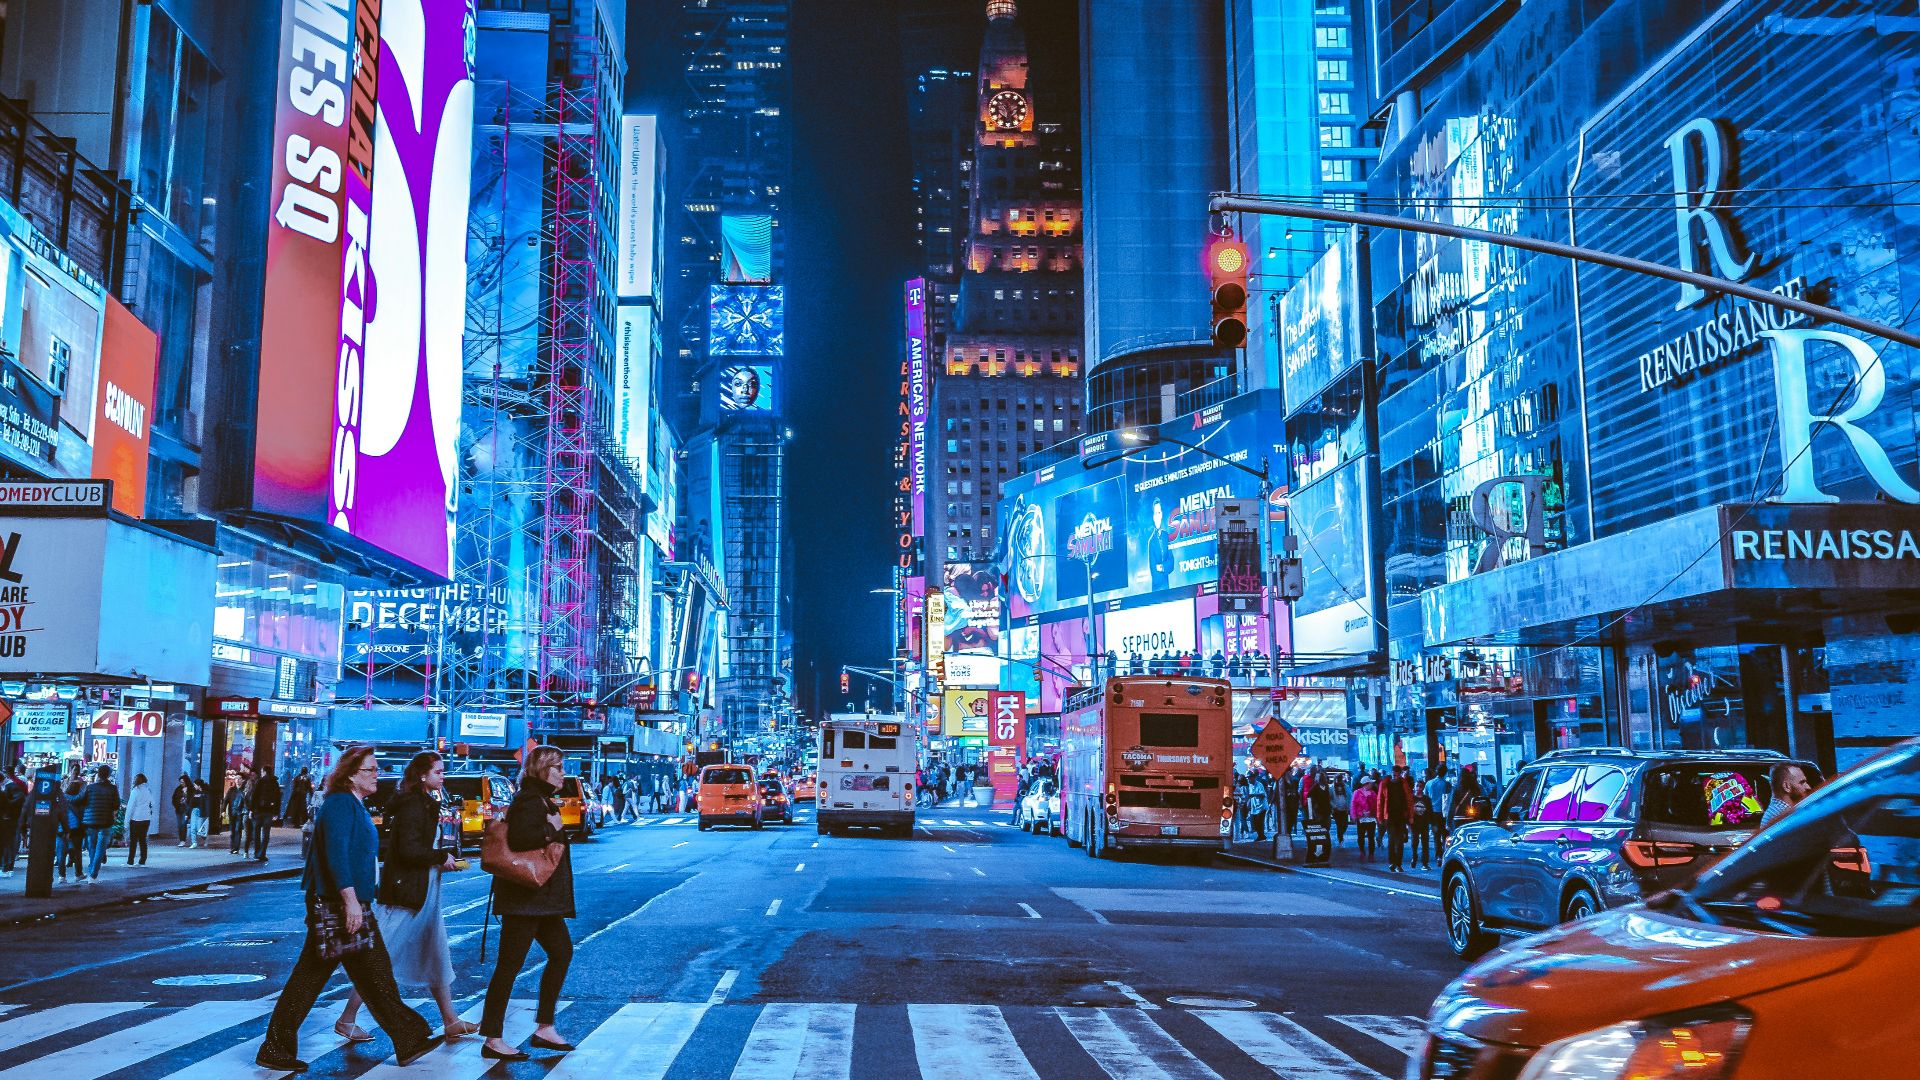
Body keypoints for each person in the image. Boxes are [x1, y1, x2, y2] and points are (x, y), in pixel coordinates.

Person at [255, 746, 442, 1072]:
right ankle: (409, 1035)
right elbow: (336, 855)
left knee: (359, 975)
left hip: (345, 903)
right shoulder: (340, 803)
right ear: (352, 774)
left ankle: (408, 1036)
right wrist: (351, 901)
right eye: (371, 769)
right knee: (362, 975)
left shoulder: (353, 804)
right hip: (338, 905)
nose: (377, 775)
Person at [336, 752, 479, 1044]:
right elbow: (408, 850)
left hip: (425, 890)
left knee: (437, 954)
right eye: (438, 772)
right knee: (381, 957)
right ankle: (347, 1018)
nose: (443, 776)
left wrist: (442, 859)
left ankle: (450, 1020)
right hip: (408, 893)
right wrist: (441, 857)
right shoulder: (414, 805)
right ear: (423, 775)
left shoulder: (424, 802)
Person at [480, 745, 577, 1062]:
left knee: (561, 953)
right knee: (509, 966)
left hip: (541, 901)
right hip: (525, 901)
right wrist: (553, 828)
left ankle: (545, 1027)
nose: (563, 773)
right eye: (558, 767)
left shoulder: (541, 799)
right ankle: (493, 1037)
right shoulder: (529, 801)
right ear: (543, 770)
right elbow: (522, 840)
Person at [79, 764, 121, 883]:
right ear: (108, 775)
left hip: (91, 821)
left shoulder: (90, 787)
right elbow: (116, 805)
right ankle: (93, 874)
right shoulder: (112, 788)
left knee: (92, 846)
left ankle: (92, 869)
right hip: (105, 821)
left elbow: (82, 800)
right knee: (100, 848)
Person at [1380, 765, 1415, 873]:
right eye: (1393, 774)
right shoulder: (1385, 783)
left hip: (1400, 816)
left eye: (1396, 774)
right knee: (1392, 840)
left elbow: (1409, 800)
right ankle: (1393, 862)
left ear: (1399, 774)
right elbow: (1380, 801)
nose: (1394, 776)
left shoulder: (1403, 783)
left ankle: (1398, 864)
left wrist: (1410, 816)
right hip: (1390, 816)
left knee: (1399, 841)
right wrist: (1380, 816)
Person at [1760, 762, 1814, 827]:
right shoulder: (1783, 817)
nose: (1808, 787)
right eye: (1802, 782)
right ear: (1786, 787)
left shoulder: (1776, 812)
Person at [251, 767, 283, 861]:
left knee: (256, 832)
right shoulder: (275, 783)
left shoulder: (260, 781)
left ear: (264, 772)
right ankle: (262, 853)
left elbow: (254, 796)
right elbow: (278, 799)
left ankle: (256, 853)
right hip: (269, 811)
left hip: (258, 811)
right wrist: (276, 813)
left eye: (261, 771)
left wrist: (252, 809)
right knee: (266, 834)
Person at [1423, 766, 1452, 864]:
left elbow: (1425, 798)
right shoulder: (1447, 784)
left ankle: (1438, 856)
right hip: (1444, 813)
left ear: (1436, 772)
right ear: (1445, 773)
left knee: (1436, 835)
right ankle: (1445, 855)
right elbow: (1450, 800)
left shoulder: (1429, 783)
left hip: (1433, 813)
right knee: (1445, 835)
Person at [125, 773, 155, 866]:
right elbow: (152, 803)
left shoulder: (135, 791)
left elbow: (130, 807)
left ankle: (130, 861)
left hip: (136, 818)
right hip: (146, 818)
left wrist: (126, 822)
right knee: (143, 839)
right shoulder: (148, 790)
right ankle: (142, 860)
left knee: (133, 840)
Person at [0, 766, 24, 876]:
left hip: (9, 819)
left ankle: (7, 867)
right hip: (7, 818)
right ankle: (5, 866)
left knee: (7, 843)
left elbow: (18, 800)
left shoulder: (10, 786)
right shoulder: (9, 785)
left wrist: (7, 808)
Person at [1409, 771, 1433, 871]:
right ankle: (1414, 858)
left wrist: (1432, 823)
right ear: (1414, 787)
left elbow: (1430, 811)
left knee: (1425, 844)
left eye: (1420, 786)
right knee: (1414, 843)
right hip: (1414, 824)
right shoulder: (1411, 798)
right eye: (1417, 786)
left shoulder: (1426, 799)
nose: (1418, 788)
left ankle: (1425, 863)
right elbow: (1408, 810)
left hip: (1424, 824)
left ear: (1423, 788)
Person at [1350, 775, 1377, 861]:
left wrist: (1373, 813)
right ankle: (1362, 852)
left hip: (1371, 818)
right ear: (1366, 784)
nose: (1371, 785)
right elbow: (1353, 804)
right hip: (1361, 818)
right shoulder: (1357, 793)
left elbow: (1377, 805)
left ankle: (1371, 854)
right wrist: (1354, 815)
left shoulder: (1373, 793)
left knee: (1371, 837)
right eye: (1370, 783)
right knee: (1361, 836)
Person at [227, 772, 251, 855]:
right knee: (232, 831)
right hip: (232, 812)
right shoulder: (231, 789)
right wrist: (223, 810)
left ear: (243, 780)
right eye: (236, 778)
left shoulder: (245, 790)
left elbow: (247, 801)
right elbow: (226, 800)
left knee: (238, 830)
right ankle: (232, 847)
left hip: (240, 813)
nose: (237, 780)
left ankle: (236, 848)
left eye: (239, 778)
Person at [171, 774, 197, 846]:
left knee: (183, 824)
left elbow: (192, 799)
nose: (181, 783)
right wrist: (176, 805)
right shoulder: (178, 789)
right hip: (179, 809)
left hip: (186, 809)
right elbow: (173, 798)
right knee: (179, 825)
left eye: (182, 782)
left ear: (186, 781)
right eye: (180, 782)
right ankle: (181, 840)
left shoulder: (191, 789)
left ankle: (183, 840)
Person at [1329, 771, 1350, 848]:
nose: (1339, 781)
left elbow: (1349, 796)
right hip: (1336, 810)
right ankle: (1340, 838)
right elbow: (1329, 799)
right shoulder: (1331, 788)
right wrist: (1334, 806)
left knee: (1345, 824)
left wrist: (1348, 807)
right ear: (1335, 779)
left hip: (1344, 809)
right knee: (1339, 824)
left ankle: (1340, 835)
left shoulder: (1346, 787)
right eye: (1338, 779)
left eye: (1340, 779)